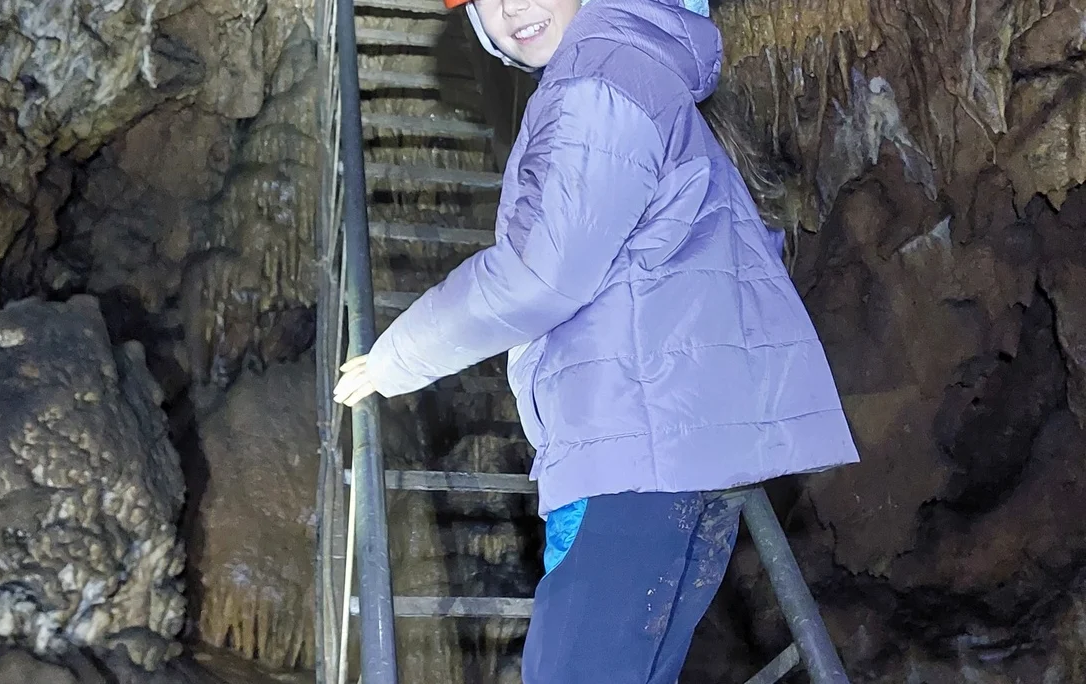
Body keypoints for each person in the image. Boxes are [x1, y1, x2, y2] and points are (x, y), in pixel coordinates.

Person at [333, 0, 859, 680]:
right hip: (679, 446)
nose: (509, 8)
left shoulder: (599, 77)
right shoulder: (627, 62)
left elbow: (537, 275)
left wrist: (396, 358)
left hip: (634, 451)